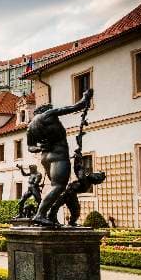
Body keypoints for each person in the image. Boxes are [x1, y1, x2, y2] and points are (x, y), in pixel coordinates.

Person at [26, 88, 93, 226]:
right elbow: (75, 107)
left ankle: (51, 215)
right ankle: (40, 214)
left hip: (45, 157)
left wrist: (39, 147)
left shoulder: (30, 126)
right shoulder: (49, 114)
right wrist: (86, 97)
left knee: (58, 188)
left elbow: (30, 147)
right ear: (45, 109)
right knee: (59, 186)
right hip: (58, 154)